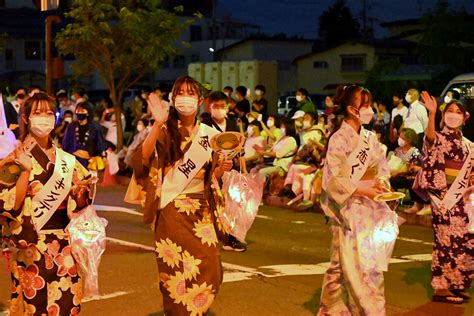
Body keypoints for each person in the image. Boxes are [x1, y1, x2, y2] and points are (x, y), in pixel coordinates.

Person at [130, 76, 232, 315]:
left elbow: (210, 176)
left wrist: (221, 169)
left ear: (199, 99)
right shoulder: (165, 130)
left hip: (201, 209)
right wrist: (156, 125)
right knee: (176, 271)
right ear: (173, 99)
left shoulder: (209, 133)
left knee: (211, 268)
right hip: (172, 208)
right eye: (181, 93)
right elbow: (141, 160)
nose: (186, 98)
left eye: (191, 93)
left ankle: (195, 310)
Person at [0, 92, 94, 315]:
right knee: (35, 308)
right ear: (25, 118)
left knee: (67, 306)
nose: (44, 118)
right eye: (38, 113)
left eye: (49, 113)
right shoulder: (14, 159)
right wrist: (24, 172)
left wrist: (81, 193)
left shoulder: (67, 161)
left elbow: (81, 204)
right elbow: (9, 205)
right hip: (32, 246)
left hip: (65, 247)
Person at [318, 85, 397, 315]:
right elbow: (334, 179)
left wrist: (381, 182)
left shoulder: (370, 138)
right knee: (358, 266)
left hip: (372, 207)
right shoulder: (339, 139)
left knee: (346, 264)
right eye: (366, 106)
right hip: (348, 208)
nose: (370, 110)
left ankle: (332, 309)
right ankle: (369, 310)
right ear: (352, 109)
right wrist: (364, 189)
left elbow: (382, 166)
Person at [417, 92, 472, 304]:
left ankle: (456, 283)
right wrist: (431, 114)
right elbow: (430, 137)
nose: (454, 115)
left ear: (465, 117)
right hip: (443, 197)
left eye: (458, 112)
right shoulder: (439, 137)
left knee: (462, 241)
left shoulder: (467, 144)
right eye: (450, 111)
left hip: (462, 198)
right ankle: (441, 288)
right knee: (445, 241)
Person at [201, 91, 247, 252]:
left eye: (223, 106)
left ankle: (232, 236)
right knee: (215, 204)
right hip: (213, 171)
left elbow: (240, 150)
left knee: (232, 204)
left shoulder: (233, 124)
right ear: (210, 107)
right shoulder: (204, 125)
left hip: (231, 171)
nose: (220, 109)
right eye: (216, 106)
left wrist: (244, 172)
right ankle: (222, 235)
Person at [388, 127, 428, 214]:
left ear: (409, 140)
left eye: (402, 138)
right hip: (398, 175)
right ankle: (394, 200)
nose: (399, 139)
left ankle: (417, 204)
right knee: (390, 180)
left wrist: (399, 172)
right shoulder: (397, 151)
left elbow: (413, 168)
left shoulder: (415, 152)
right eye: (400, 137)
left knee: (411, 180)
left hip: (409, 175)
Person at [62, 101, 107, 170]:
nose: (79, 112)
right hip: (74, 162)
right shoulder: (71, 126)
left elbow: (100, 143)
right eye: (78, 110)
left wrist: (104, 157)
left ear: (88, 112)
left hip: (90, 163)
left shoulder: (95, 127)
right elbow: (65, 144)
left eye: (82, 110)